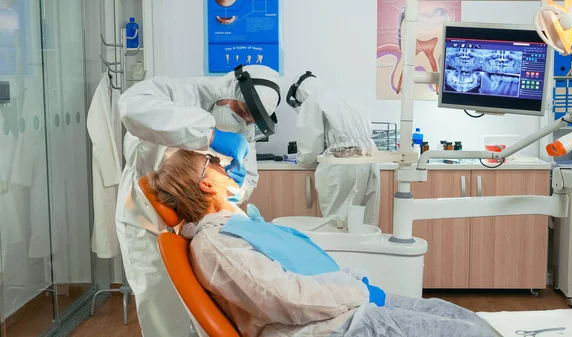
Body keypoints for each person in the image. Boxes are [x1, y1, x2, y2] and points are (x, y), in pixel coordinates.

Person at [148, 149, 496, 337]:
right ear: (206, 185)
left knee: (466, 319)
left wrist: (353, 284)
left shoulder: (236, 225)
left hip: (345, 308)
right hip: (332, 328)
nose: (224, 165)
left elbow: (296, 269)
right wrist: (355, 289)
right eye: (212, 162)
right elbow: (285, 298)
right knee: (471, 334)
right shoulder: (218, 245)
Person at [115, 65, 281, 337]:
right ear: (232, 88)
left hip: (199, 220)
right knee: (160, 303)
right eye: (240, 111)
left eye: (249, 120)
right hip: (146, 213)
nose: (242, 123)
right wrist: (211, 136)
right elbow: (130, 107)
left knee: (199, 306)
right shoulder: (180, 92)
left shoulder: (245, 128)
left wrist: (236, 187)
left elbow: (247, 179)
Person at [286, 71, 381, 228]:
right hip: (369, 160)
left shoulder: (312, 101)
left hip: (342, 164)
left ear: (300, 92)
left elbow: (310, 151)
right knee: (365, 224)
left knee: (338, 225)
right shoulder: (348, 96)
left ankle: (339, 254)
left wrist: (303, 160)